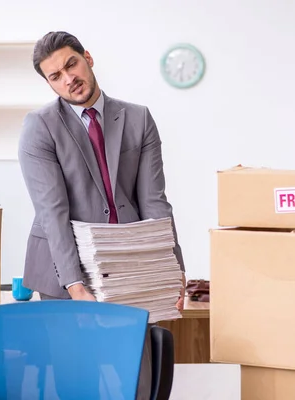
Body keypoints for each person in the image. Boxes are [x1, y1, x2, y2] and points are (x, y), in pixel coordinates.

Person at [17, 31, 186, 399]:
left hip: (127, 263)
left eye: (71, 65)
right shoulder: (39, 127)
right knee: (78, 381)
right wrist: (76, 285)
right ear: (48, 83)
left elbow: (155, 202)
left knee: (142, 379)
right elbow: (52, 212)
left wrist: (173, 270)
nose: (68, 79)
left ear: (87, 58)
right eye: (55, 76)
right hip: (65, 268)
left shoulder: (138, 118)